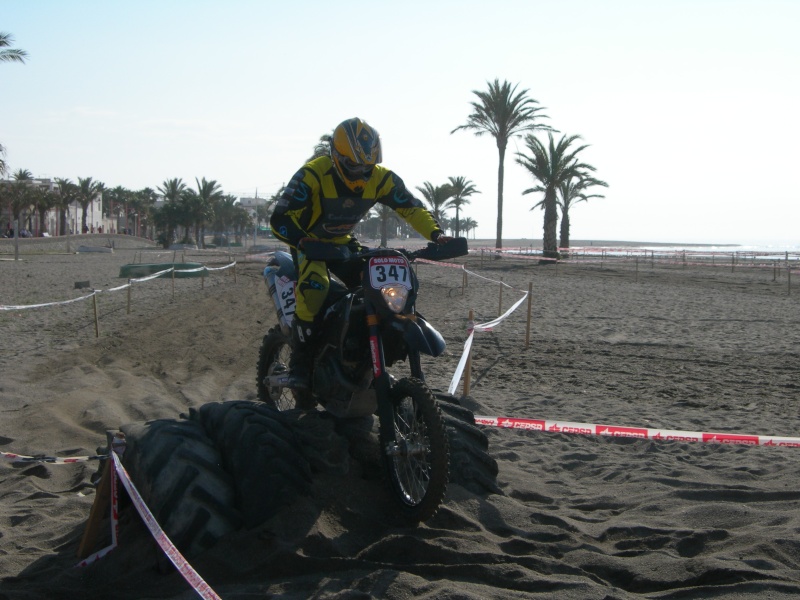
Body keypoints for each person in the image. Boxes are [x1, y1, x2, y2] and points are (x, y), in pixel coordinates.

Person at [270, 117, 451, 389]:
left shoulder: (381, 178)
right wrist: (301, 240)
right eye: (355, 166)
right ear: (336, 156)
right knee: (315, 287)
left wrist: (437, 235)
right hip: (312, 245)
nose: (363, 172)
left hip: (344, 243)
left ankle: (363, 349)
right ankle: (300, 360)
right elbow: (280, 218)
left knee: (381, 288)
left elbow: (411, 207)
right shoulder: (313, 174)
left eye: (369, 165)